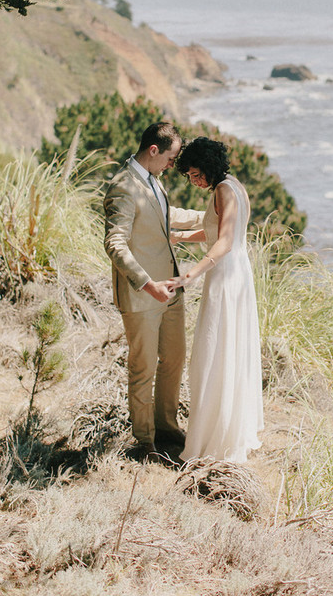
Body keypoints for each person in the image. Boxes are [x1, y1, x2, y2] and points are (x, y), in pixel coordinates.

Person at [104, 122, 204, 462]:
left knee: (174, 359)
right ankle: (144, 441)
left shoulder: (153, 181)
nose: (172, 166)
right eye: (171, 158)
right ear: (153, 151)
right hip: (143, 295)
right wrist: (147, 283)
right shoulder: (122, 187)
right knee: (143, 367)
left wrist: (214, 216)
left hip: (172, 289)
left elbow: (165, 215)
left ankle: (166, 427)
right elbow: (114, 243)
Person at [167, 137, 264, 463]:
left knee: (214, 352)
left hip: (225, 276)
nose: (193, 181)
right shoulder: (233, 185)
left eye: (195, 174)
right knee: (227, 350)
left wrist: (191, 273)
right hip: (236, 272)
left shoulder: (223, 190)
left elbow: (223, 241)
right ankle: (222, 429)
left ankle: (215, 441)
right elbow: (221, 229)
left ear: (207, 167)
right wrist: (180, 236)